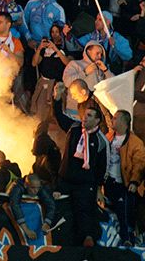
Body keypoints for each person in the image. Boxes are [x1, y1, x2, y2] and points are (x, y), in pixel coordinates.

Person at [55, 105, 109, 246]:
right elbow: (59, 116)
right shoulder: (74, 128)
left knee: (83, 213)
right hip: (65, 180)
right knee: (63, 211)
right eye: (85, 114)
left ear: (97, 120)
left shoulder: (101, 140)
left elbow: (103, 167)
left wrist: (98, 187)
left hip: (85, 184)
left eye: (90, 115)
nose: (85, 117)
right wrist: (57, 98)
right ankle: (63, 244)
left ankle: (86, 245)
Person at [105, 109, 145, 246]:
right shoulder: (109, 137)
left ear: (124, 122)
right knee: (109, 211)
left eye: (115, 118)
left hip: (124, 184)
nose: (112, 120)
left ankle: (128, 239)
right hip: (108, 182)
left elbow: (139, 163)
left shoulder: (135, 143)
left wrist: (134, 181)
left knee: (125, 213)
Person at [8, 174, 56, 240]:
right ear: (25, 185)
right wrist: (26, 230)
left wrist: (47, 223)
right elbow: (14, 205)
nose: (36, 191)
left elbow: (51, 204)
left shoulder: (41, 187)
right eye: (32, 188)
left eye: (38, 188)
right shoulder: (17, 187)